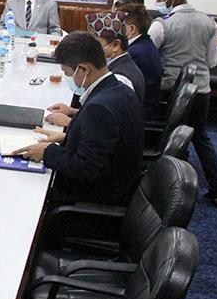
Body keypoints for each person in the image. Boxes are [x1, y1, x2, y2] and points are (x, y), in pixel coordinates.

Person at [16, 32, 143, 206]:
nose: (68, 78)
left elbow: (88, 168)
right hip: (117, 186)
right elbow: (106, 143)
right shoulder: (119, 89)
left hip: (92, 201)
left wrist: (47, 152)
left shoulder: (99, 107)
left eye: (67, 72)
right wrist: (66, 137)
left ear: (83, 69)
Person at [149, 0, 217, 205]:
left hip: (171, 91)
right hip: (201, 89)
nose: (157, 2)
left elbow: (152, 57)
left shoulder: (163, 25)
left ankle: (172, 189)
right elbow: (211, 61)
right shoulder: (210, 23)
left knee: (171, 139)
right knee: (200, 137)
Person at [122, 4, 163, 119]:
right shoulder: (145, 44)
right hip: (148, 106)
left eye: (117, 26)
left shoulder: (135, 53)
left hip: (140, 112)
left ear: (131, 29)